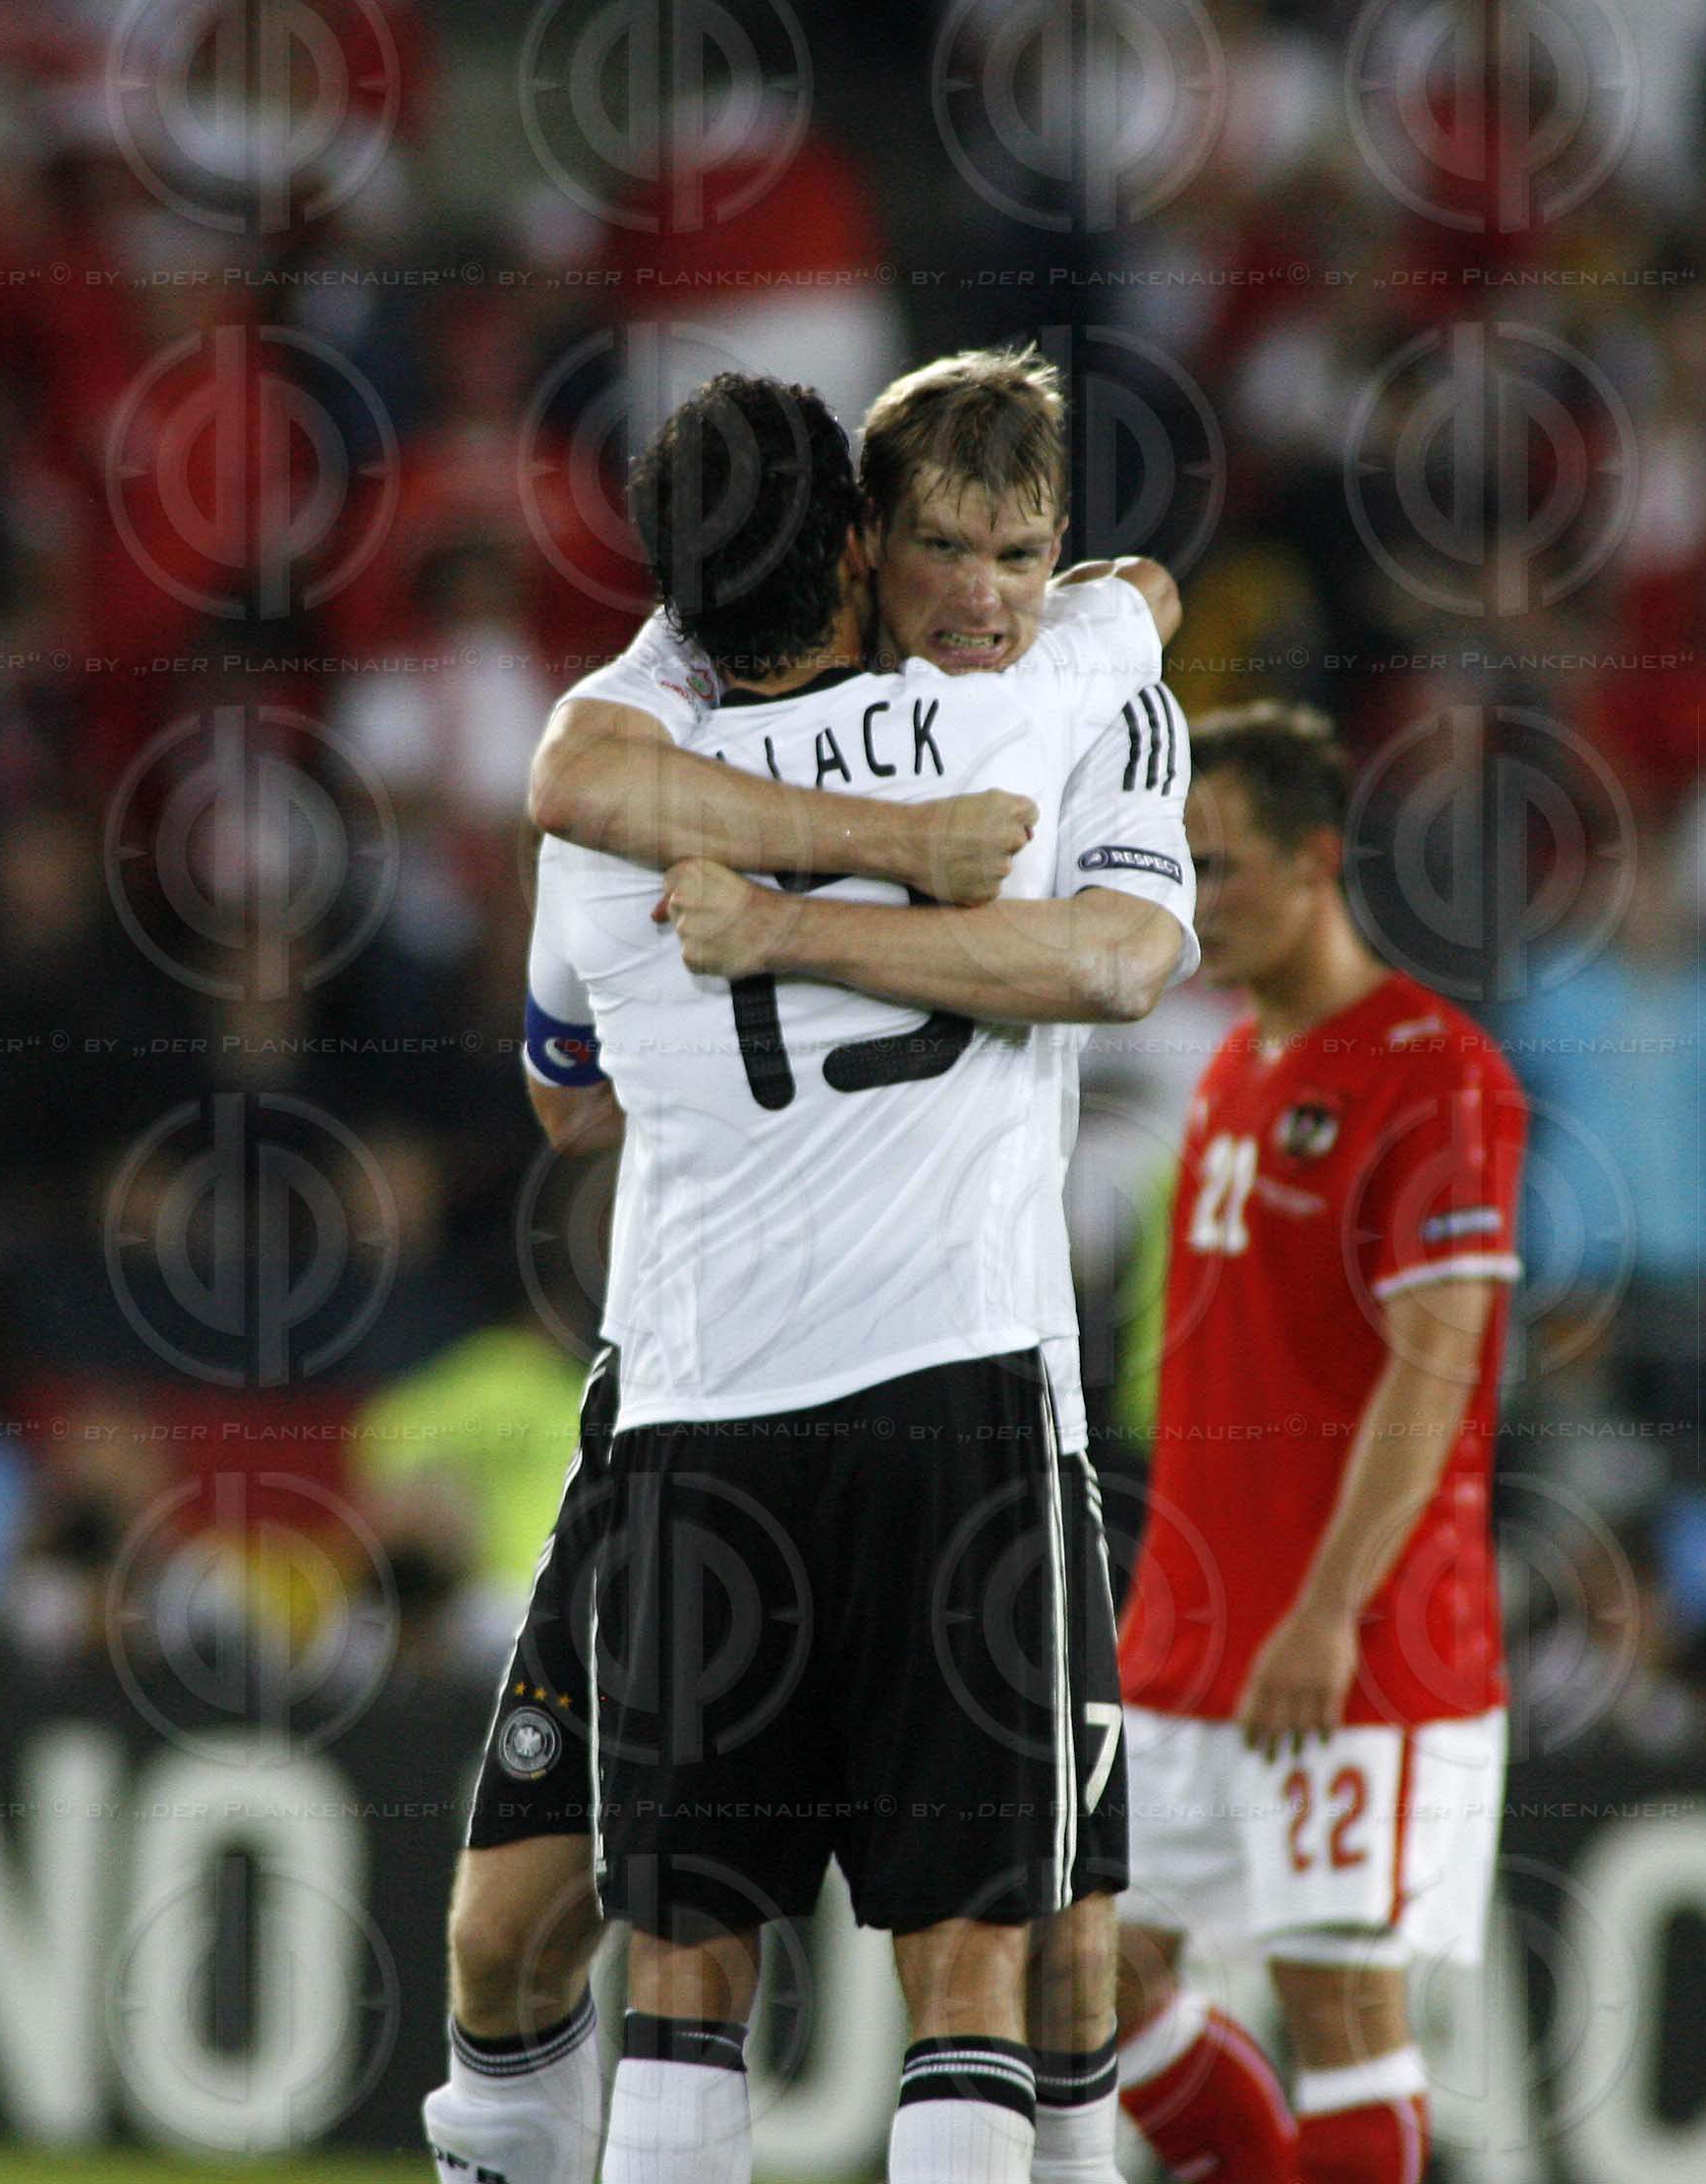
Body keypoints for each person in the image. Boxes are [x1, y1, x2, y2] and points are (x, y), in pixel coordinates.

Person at [424, 347, 1185, 2184]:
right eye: (949, 548)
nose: (990, 596)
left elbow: (561, 1096)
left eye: (1021, 556)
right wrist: (906, 861)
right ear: (858, 539)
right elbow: (1128, 693)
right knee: (977, 1967)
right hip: (961, 1399)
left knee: (688, 1965)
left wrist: (768, 924)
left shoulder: (615, 800)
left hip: (707, 1416)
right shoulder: (1024, 719)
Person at [1109, 704, 1527, 2184]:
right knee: (1087, 1975)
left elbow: (1435, 1371)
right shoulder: (1226, 1065)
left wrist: (1325, 1611)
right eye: (1181, 869)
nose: (1195, 903)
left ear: (1312, 860)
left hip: (1352, 1645)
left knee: (1337, 1999)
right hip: (1194, 1630)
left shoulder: (1435, 1072)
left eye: (1220, 871)